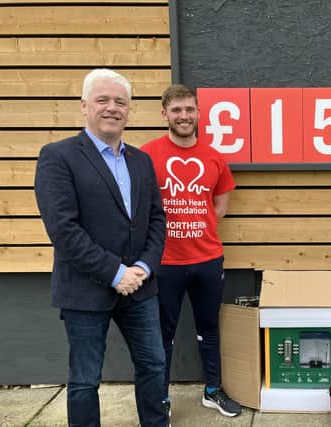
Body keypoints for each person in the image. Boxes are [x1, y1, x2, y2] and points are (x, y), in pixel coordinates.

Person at [34, 69, 168, 426]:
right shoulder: (58, 157)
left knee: (154, 366)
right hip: (85, 290)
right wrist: (115, 272)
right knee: (85, 379)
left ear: (129, 110)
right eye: (103, 100)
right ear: (84, 106)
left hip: (140, 288)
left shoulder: (141, 160)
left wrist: (144, 267)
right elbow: (63, 230)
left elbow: (157, 220)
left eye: (120, 102)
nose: (112, 108)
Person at [140, 84, 241, 418]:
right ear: (165, 114)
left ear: (198, 113)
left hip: (207, 260)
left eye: (189, 110)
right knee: (162, 335)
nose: (184, 116)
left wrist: (193, 221)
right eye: (177, 110)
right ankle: (161, 397)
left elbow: (220, 206)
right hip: (165, 262)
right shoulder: (147, 155)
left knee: (208, 328)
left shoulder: (214, 157)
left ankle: (212, 390)